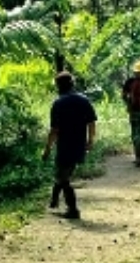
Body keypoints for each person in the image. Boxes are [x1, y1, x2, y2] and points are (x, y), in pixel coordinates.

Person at [42, 71, 98, 220]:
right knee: (63, 174)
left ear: (58, 86)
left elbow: (54, 130)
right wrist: (90, 141)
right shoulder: (84, 100)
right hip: (79, 144)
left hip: (64, 145)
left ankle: (73, 209)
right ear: (72, 83)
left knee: (63, 177)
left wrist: (47, 148)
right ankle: (54, 201)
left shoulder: (58, 103)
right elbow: (91, 123)